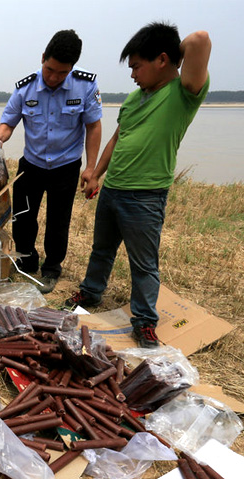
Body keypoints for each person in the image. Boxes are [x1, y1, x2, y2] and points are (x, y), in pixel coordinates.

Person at [65, 23, 212, 348]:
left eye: (136, 66)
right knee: (101, 249)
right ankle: (90, 293)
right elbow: (117, 139)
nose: (132, 74)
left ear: (162, 60)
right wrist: (95, 173)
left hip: (145, 197)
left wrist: (173, 51)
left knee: (143, 264)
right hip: (113, 190)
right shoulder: (134, 99)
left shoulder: (183, 93)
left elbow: (199, 40)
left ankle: (144, 322)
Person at [0, 30, 102, 294]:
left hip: (66, 165)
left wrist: (91, 167)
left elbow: (94, 127)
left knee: (58, 221)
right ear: (42, 59)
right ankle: (26, 262)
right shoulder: (25, 87)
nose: (53, 78)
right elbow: (9, 122)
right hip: (32, 164)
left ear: (72, 68)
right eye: (49, 69)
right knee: (23, 217)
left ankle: (52, 268)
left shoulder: (85, 86)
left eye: (61, 73)